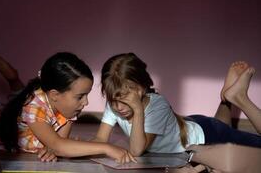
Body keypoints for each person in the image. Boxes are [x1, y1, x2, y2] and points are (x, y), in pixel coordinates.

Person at [0, 29, 136, 164]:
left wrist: (55, 147)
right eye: (81, 96)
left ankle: (13, 79)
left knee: (21, 101)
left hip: (15, 110)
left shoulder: (65, 105)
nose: (86, 102)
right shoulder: (34, 106)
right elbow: (59, 145)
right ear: (55, 95)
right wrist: (108, 148)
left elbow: (58, 143)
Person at [93, 53, 261, 157]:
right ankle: (226, 98)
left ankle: (239, 98)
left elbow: (137, 150)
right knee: (223, 127)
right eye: (113, 100)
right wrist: (82, 148)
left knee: (225, 131)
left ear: (142, 89)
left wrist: (137, 109)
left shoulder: (157, 106)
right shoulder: (115, 102)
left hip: (205, 136)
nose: (119, 107)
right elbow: (100, 139)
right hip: (190, 125)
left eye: (125, 100)